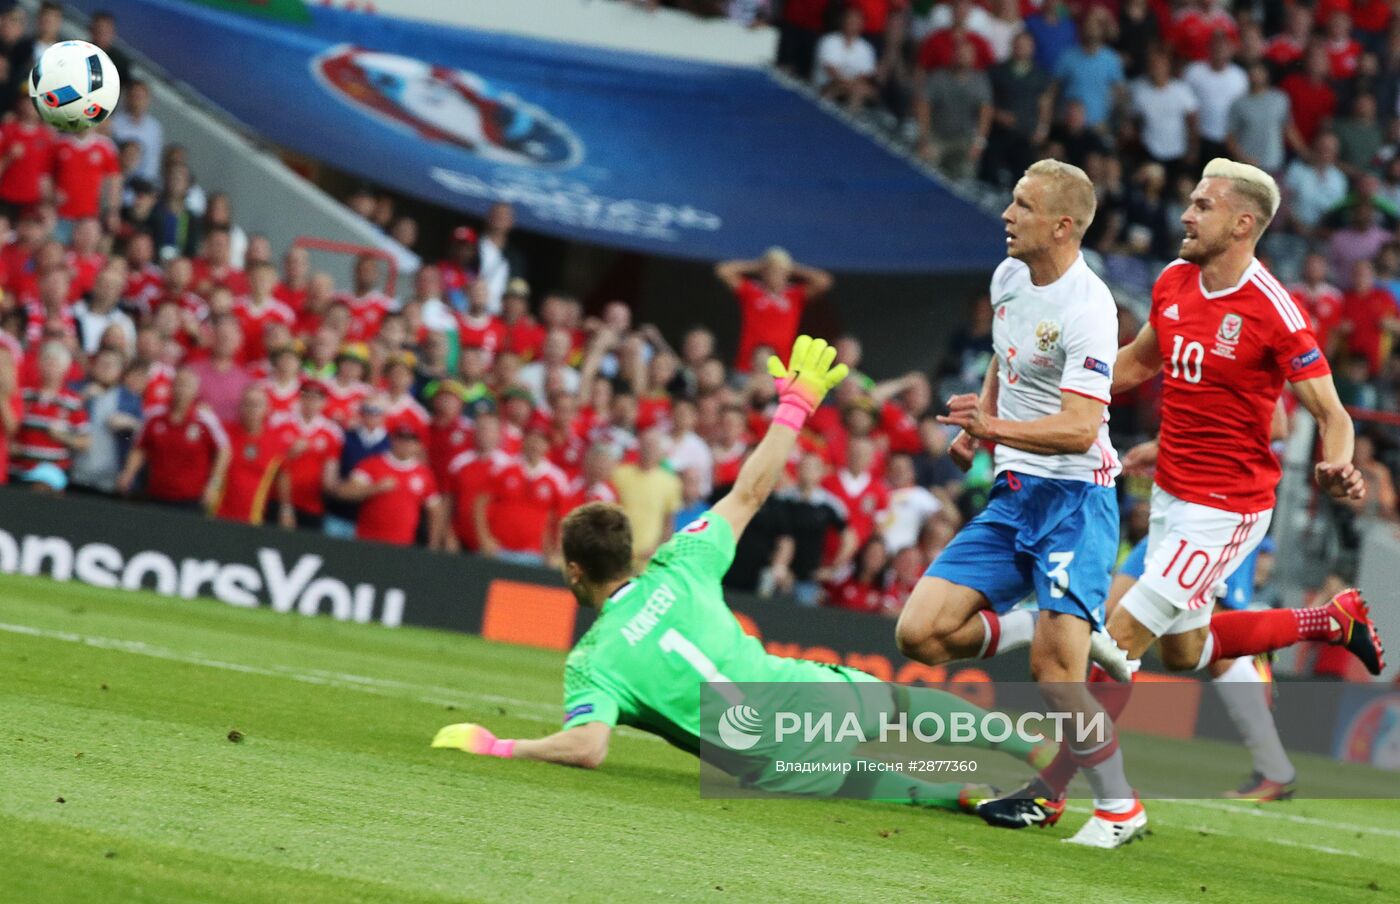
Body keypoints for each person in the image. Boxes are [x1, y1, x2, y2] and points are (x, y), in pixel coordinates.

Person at [432, 336, 1052, 812]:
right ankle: (1041, 753)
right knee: (904, 706)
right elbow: (751, 492)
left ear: (573, 571)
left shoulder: (593, 662)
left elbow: (587, 748)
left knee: (915, 791)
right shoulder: (681, 561)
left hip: (772, 759)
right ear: (630, 552)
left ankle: (972, 795)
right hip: (802, 688)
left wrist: (502, 746)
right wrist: (796, 406)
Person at [996, 159, 1387, 836]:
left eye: (1203, 205)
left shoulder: (1274, 310)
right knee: (1185, 652)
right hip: (1172, 493)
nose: (1186, 214)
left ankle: (1056, 794)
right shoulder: (1174, 281)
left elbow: (1332, 413)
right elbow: (1141, 362)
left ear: (1243, 224)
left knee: (1117, 647)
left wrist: (1338, 464)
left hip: (1227, 510)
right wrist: (1054, 387)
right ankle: (1329, 621)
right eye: (1191, 200)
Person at [891, 160, 1138, 847]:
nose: (1006, 213)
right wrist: (988, 419)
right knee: (919, 634)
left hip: (1075, 500)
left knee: (1057, 674)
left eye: (1023, 205)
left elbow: (1082, 428)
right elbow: (1006, 352)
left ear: (1062, 225)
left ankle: (1120, 808)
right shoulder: (1007, 277)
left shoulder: (1090, 310)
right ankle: (1030, 622)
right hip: (1013, 492)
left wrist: (991, 429)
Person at [117, 367, 228, 509]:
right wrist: (128, 473)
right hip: (156, 495)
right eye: (179, 384)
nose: (182, 389)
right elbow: (140, 448)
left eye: (187, 385)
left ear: (196, 390)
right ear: (171, 386)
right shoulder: (154, 415)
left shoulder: (205, 420)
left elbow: (224, 451)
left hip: (192, 499)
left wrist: (214, 485)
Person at [715, 248, 833, 371]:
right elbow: (722, 271)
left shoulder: (794, 295)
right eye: (771, 271)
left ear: (787, 274)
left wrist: (791, 267)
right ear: (763, 272)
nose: (775, 274)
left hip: (783, 364)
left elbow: (825, 281)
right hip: (748, 363)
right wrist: (758, 265)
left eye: (779, 271)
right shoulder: (751, 290)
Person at [341, 424, 446, 547]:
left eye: (411, 440)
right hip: (366, 539)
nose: (405, 444)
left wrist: (433, 543)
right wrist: (374, 488)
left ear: (419, 445)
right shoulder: (372, 464)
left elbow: (435, 510)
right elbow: (345, 492)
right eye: (401, 438)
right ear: (393, 440)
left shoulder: (424, 474)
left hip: (402, 543)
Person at [214, 385, 291, 525]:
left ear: (267, 409)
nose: (252, 409)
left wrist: (286, 509)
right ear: (240, 407)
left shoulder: (276, 442)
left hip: (253, 519)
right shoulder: (223, 433)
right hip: (216, 514)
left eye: (257, 405)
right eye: (247, 404)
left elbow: (282, 474)